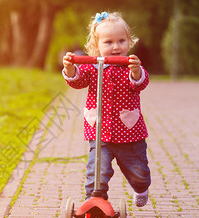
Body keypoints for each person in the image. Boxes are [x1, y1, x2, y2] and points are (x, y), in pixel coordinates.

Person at [62, 11, 151, 207]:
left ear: (129, 42)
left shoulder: (131, 66)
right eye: (108, 42)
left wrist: (136, 71)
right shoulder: (92, 67)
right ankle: (94, 200)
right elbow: (78, 81)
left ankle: (141, 187)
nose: (116, 47)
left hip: (129, 133)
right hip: (100, 132)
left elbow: (140, 83)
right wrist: (70, 69)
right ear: (96, 46)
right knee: (97, 170)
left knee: (139, 173)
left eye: (121, 41)